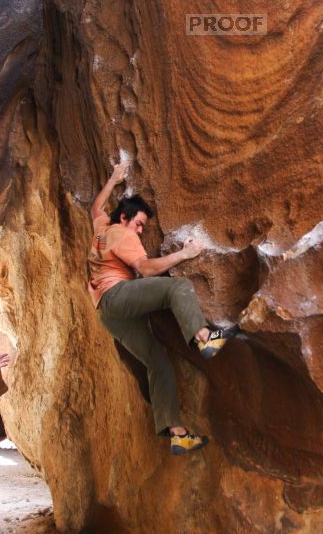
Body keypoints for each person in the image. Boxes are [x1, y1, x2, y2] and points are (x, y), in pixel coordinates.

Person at [88, 162, 238, 455]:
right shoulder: (122, 233)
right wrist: (186, 253)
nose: (141, 231)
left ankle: (178, 434)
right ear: (124, 218)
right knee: (177, 288)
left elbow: (95, 207)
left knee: (157, 361)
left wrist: (114, 178)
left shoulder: (101, 229)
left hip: (107, 314)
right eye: (139, 223)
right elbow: (144, 269)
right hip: (117, 295)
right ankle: (204, 338)